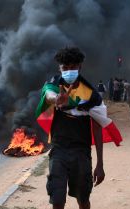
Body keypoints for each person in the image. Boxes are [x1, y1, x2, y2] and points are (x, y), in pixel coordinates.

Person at [36, 46, 105, 209]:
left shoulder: (91, 95)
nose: (68, 71)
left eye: (72, 67)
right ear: (59, 68)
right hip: (58, 151)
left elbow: (97, 128)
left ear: (80, 67)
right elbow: (48, 94)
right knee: (57, 199)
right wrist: (57, 99)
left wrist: (100, 164)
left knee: (83, 199)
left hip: (81, 153)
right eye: (64, 68)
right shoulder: (54, 85)